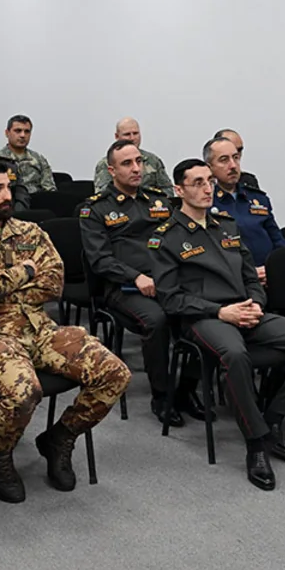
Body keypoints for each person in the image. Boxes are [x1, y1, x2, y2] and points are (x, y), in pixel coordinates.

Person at [0, 160, 130, 503]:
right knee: (25, 391)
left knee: (114, 373)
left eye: (8, 187)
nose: (7, 195)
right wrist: (25, 271)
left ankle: (60, 437)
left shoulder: (29, 231)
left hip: (39, 328)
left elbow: (53, 282)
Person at [151, 159, 285, 492]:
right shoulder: (166, 238)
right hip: (204, 318)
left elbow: (251, 276)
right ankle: (256, 443)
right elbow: (171, 300)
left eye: (209, 181)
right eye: (197, 183)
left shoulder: (227, 225)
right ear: (179, 190)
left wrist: (256, 304)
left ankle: (272, 419)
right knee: (234, 355)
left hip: (245, 311)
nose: (207, 188)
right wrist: (221, 312)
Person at [79, 139, 189, 427]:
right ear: (112, 170)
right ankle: (162, 396)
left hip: (166, 281)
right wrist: (135, 277)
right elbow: (100, 260)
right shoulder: (95, 209)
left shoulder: (158, 201)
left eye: (139, 161)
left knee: (203, 310)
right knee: (157, 320)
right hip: (122, 287)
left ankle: (188, 391)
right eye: (127, 163)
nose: (136, 168)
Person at [205, 136, 285, 284]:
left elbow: (277, 240)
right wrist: (249, 274)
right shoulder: (206, 203)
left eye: (236, 158)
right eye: (224, 160)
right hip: (233, 282)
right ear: (209, 168)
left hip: (271, 276)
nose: (233, 165)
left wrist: (276, 268)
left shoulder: (257, 198)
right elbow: (209, 253)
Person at [92, 118, 170, 193]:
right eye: (127, 134)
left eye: (135, 133)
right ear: (117, 136)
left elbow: (167, 188)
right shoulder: (105, 164)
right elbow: (103, 193)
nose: (132, 138)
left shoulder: (153, 160)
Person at [0, 114, 56, 195]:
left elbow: (50, 189)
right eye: (18, 131)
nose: (22, 135)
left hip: (37, 200)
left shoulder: (39, 159)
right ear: (7, 133)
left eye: (27, 131)